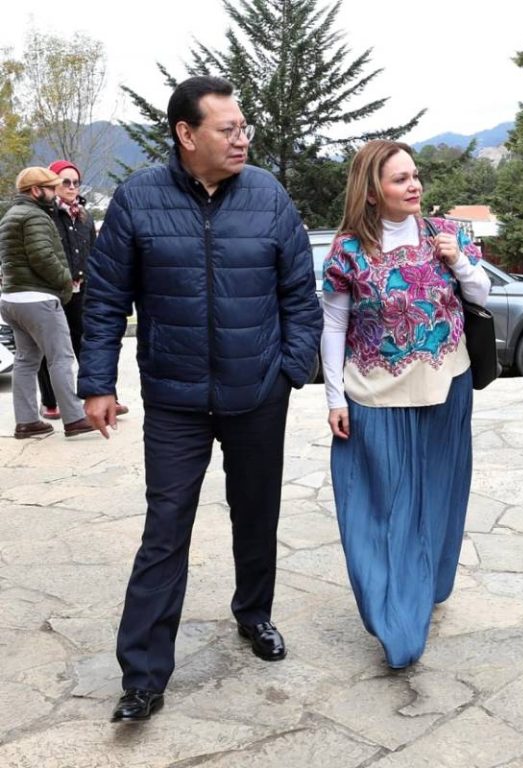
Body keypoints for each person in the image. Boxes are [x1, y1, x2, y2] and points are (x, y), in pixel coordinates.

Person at [77, 75, 323, 721]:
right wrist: (98, 382)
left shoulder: (268, 196)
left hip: (257, 393)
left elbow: (301, 295)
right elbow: (105, 299)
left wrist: (289, 371)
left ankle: (254, 614)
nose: (242, 139)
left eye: (244, 128)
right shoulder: (137, 199)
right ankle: (143, 677)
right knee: (165, 529)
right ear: (186, 134)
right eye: (228, 129)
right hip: (174, 399)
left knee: (256, 514)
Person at [321, 139, 491, 668]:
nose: (414, 185)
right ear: (372, 191)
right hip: (374, 396)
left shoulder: (447, 234)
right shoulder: (347, 251)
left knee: (440, 496)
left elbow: (481, 295)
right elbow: (333, 325)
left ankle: (425, 586)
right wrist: (334, 398)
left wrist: (458, 261)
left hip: (447, 387)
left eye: (414, 175)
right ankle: (395, 620)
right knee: (382, 509)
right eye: (400, 179)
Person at [0, 167, 95, 439]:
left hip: (12, 298)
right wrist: (66, 281)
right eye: (51, 188)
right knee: (61, 358)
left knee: (25, 360)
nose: (55, 193)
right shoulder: (36, 216)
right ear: (36, 190)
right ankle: (74, 418)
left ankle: (27, 421)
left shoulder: (11, 215)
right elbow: (42, 257)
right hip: (38, 299)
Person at [36, 160, 129, 421]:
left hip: (82, 289)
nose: (72, 187)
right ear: (53, 183)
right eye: (65, 182)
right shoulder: (44, 215)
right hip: (52, 290)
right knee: (49, 348)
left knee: (88, 341)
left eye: (76, 182)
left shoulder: (84, 216)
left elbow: (94, 252)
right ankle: (50, 402)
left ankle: (104, 396)